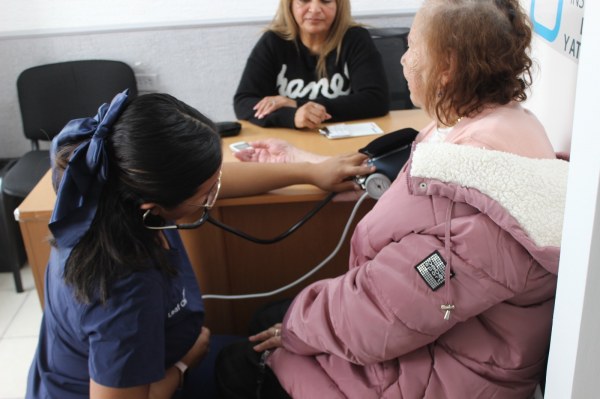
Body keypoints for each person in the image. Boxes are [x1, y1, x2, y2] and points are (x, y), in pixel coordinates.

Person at [215, 0, 569, 398]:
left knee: (236, 363)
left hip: (448, 371)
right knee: (270, 317)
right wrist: (302, 160)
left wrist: (297, 328)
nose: (402, 60)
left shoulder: (475, 202)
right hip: (438, 330)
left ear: (447, 66)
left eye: (412, 46)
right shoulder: (494, 125)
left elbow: (380, 316)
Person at [24, 90, 373, 399]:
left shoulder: (111, 194)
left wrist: (311, 172)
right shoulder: (123, 289)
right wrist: (184, 363)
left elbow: (212, 178)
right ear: (153, 207)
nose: (214, 194)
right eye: (207, 194)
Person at [234, 0, 390, 130]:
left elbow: (376, 100)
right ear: (290, 5)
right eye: (304, 0)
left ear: (339, 5)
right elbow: (243, 102)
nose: (315, 9)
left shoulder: (356, 38)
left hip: (343, 142)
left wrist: (296, 104)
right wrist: (293, 116)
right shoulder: (273, 41)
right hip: (287, 145)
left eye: (326, 0)